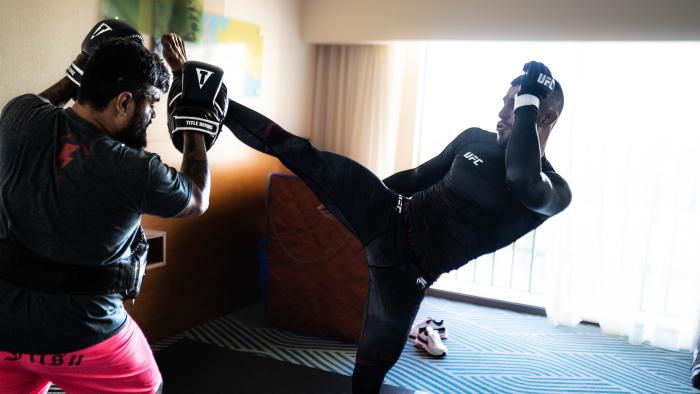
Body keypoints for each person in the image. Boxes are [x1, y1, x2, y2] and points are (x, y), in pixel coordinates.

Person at [223, 59, 571, 393]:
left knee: (369, 369)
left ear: (547, 116)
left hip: (408, 275)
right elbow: (419, 176)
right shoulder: (474, 139)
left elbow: (522, 178)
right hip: (387, 213)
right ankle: (213, 100)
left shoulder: (554, 190)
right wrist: (354, 196)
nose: (502, 112)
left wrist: (530, 100)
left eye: (516, 105)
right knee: (298, 150)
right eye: (506, 102)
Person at [0, 21, 225, 394]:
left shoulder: (17, 118)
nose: (153, 115)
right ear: (123, 102)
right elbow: (197, 197)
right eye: (151, 103)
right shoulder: (135, 170)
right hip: (82, 336)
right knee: (146, 385)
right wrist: (194, 121)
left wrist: (85, 66)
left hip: (3, 332)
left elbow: (49, 100)